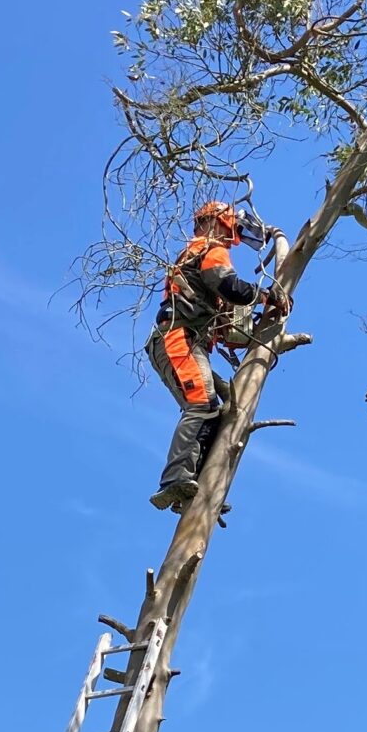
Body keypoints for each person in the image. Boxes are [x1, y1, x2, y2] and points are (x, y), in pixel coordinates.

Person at [147, 200, 278, 511]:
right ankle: (175, 479)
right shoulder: (209, 248)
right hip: (178, 338)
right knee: (203, 403)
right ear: (218, 221)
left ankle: (196, 483)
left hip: (186, 340)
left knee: (219, 413)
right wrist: (266, 296)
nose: (234, 236)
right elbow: (229, 285)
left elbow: (228, 326)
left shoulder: (196, 257)